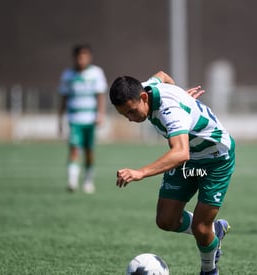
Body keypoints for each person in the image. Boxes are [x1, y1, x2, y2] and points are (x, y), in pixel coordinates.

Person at [109, 71, 235, 275]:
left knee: (200, 229)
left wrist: (140, 172)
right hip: (190, 155)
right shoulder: (144, 87)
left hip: (215, 159)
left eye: (131, 112)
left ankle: (209, 270)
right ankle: (216, 231)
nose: (130, 119)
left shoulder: (170, 110)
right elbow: (163, 76)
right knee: (166, 220)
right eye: (124, 115)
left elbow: (180, 153)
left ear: (143, 98)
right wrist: (182, 97)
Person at [58, 44, 108, 193]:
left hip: (90, 120)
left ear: (89, 57)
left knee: (89, 152)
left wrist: (100, 115)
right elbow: (63, 99)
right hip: (74, 119)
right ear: (75, 58)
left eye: (85, 55)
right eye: (79, 56)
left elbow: (100, 96)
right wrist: (59, 120)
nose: (82, 59)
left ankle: (88, 180)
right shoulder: (68, 75)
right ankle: (72, 181)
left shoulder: (96, 73)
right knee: (74, 149)